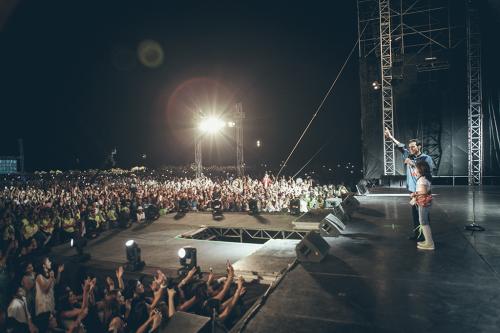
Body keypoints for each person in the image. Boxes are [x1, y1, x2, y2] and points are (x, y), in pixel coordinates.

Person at [384, 128, 435, 241]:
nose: (411, 149)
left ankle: (426, 237)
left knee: (423, 216)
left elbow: (429, 175)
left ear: (419, 146)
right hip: (413, 191)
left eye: (413, 147)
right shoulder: (409, 155)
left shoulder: (426, 158)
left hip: (422, 191)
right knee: (415, 215)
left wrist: (412, 164)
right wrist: (391, 137)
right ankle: (418, 235)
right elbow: (400, 146)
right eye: (410, 147)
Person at [412, 160, 435, 250]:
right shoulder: (424, 178)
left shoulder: (422, 179)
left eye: (416, 168)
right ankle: (428, 241)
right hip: (425, 202)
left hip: (423, 202)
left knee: (423, 222)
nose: (415, 170)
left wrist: (414, 194)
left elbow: (424, 191)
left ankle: (429, 243)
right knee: (424, 222)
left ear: (420, 169)